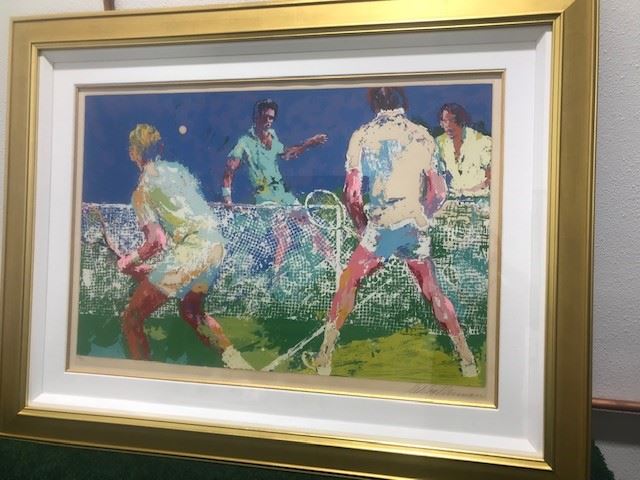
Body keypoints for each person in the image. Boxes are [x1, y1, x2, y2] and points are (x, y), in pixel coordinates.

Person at [303, 87, 478, 377]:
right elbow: (438, 192)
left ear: (374, 103)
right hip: (413, 223)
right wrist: (422, 216)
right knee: (432, 290)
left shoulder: (362, 135)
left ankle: (324, 357)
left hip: (381, 225)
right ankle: (466, 357)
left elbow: (353, 193)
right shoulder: (421, 135)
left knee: (349, 282)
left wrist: (361, 226)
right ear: (402, 103)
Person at [117, 123, 252, 369]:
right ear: (161, 147)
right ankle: (240, 367)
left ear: (132, 153)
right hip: (215, 247)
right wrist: (153, 271)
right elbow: (184, 231)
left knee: (131, 318)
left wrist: (129, 260)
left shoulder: (142, 191)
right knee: (192, 312)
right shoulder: (180, 171)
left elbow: (157, 242)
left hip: (191, 252)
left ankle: (143, 378)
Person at [222, 99, 331, 270]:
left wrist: (309, 143)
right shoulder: (244, 142)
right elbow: (229, 171)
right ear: (256, 117)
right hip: (266, 199)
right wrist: (227, 199)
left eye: (271, 118)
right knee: (284, 238)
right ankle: (276, 276)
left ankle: (336, 266)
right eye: (265, 117)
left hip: (284, 196)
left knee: (312, 229)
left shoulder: (273, 137)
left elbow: (287, 154)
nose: (268, 121)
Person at [434, 103, 492, 201]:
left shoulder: (481, 141)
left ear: (462, 121)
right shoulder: (439, 143)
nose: (448, 125)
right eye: (445, 121)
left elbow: (493, 175)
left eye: (452, 120)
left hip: (480, 199)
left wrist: (472, 191)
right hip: (452, 199)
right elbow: (436, 175)